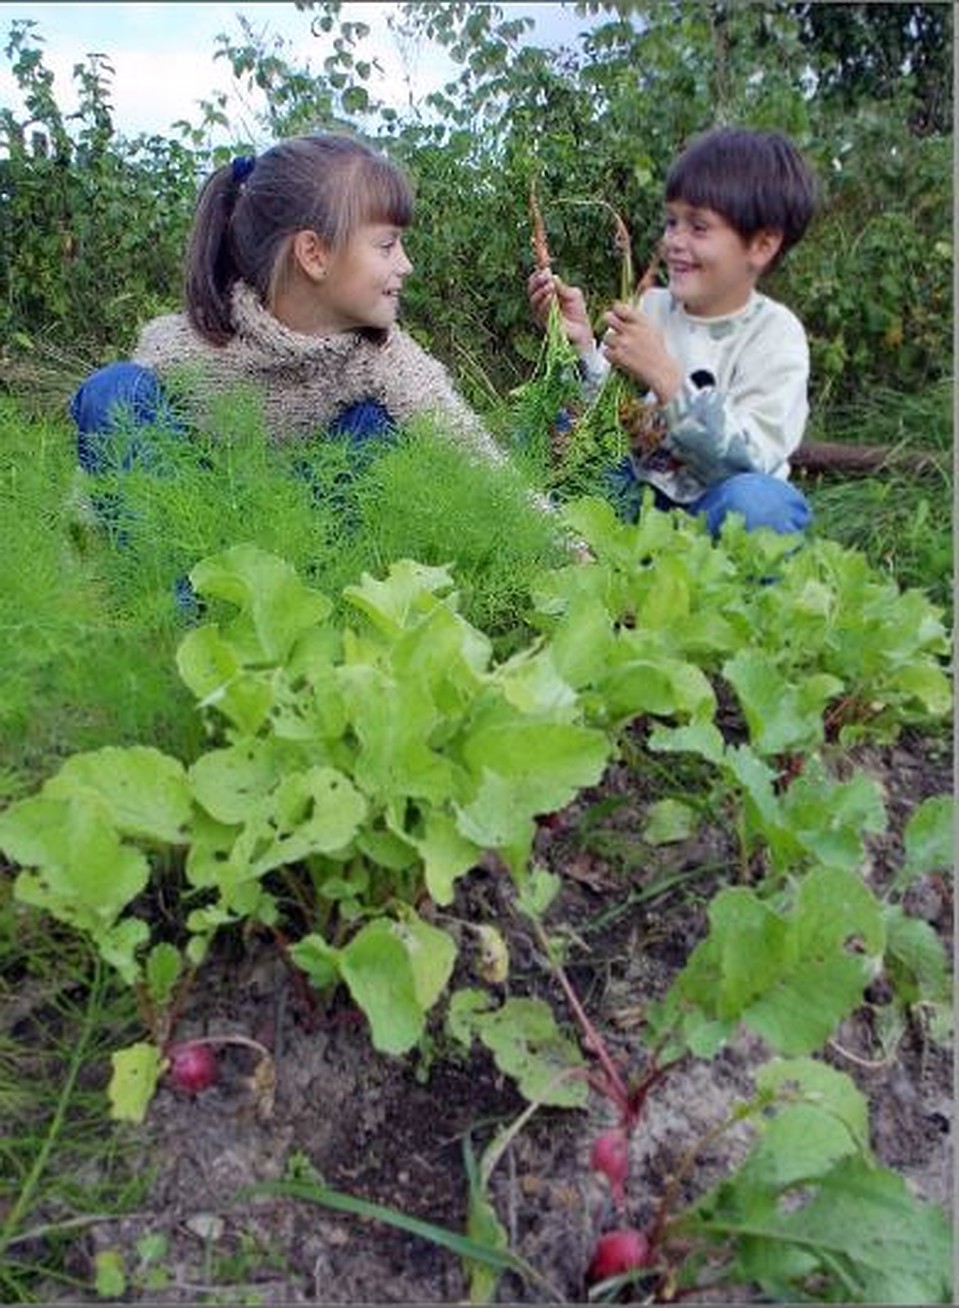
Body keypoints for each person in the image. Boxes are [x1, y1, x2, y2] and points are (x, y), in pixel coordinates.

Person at [70, 132, 506, 482]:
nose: (406, 265)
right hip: (186, 541)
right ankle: (170, 595)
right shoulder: (183, 349)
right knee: (114, 391)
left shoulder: (384, 358)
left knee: (373, 427)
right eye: (388, 245)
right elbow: (109, 471)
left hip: (305, 548)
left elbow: (469, 449)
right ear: (314, 254)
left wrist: (558, 543)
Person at [527, 126, 818, 536]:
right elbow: (610, 415)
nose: (674, 242)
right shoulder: (654, 307)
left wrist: (668, 381)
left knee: (763, 506)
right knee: (563, 474)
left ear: (761, 245)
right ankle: (589, 566)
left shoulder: (774, 336)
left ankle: (724, 588)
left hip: (714, 511)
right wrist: (580, 347)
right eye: (671, 222)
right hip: (639, 496)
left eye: (698, 228)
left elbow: (751, 465)